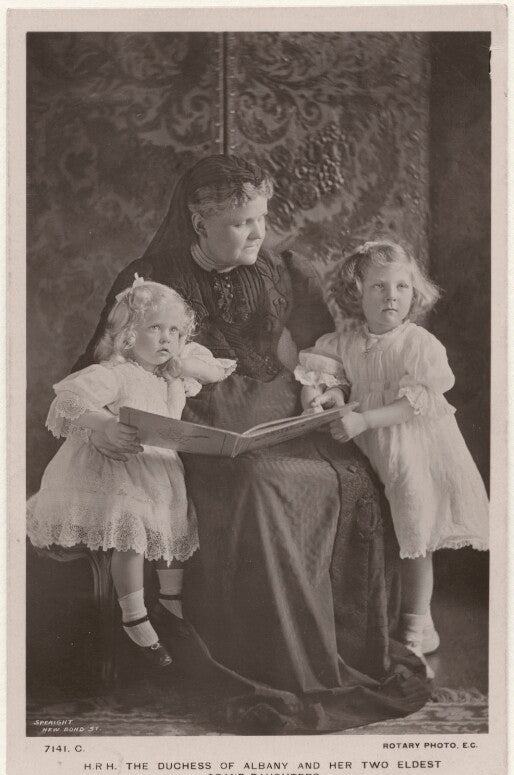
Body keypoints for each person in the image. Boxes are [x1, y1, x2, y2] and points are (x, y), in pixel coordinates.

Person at [72, 155, 431, 733]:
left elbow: (322, 345)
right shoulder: (148, 278)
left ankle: (348, 649)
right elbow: (103, 361)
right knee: (260, 485)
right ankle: (266, 658)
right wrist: (110, 422)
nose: (258, 232)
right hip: (193, 421)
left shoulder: (279, 269)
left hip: (281, 412)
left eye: (261, 217)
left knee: (353, 475)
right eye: (241, 222)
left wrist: (328, 393)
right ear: (198, 221)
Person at [295, 240, 489, 678]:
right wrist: (324, 396)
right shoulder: (344, 342)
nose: (392, 296)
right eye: (379, 286)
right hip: (369, 449)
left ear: (413, 295)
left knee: (415, 538)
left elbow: (412, 404)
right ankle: (413, 623)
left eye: (402, 287)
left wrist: (363, 420)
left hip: (413, 448)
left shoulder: (417, 343)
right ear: (356, 292)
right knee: (385, 533)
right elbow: (332, 380)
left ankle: (414, 633)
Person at [27, 277, 235, 668]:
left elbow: (212, 369)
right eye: (155, 328)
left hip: (158, 472)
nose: (166, 338)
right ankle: (135, 617)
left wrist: (181, 357)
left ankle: (171, 606)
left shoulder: (170, 377)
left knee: (173, 532)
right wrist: (104, 424)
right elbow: (68, 400)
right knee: (132, 532)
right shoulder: (115, 372)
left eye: (175, 330)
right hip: (117, 469)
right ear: (126, 334)